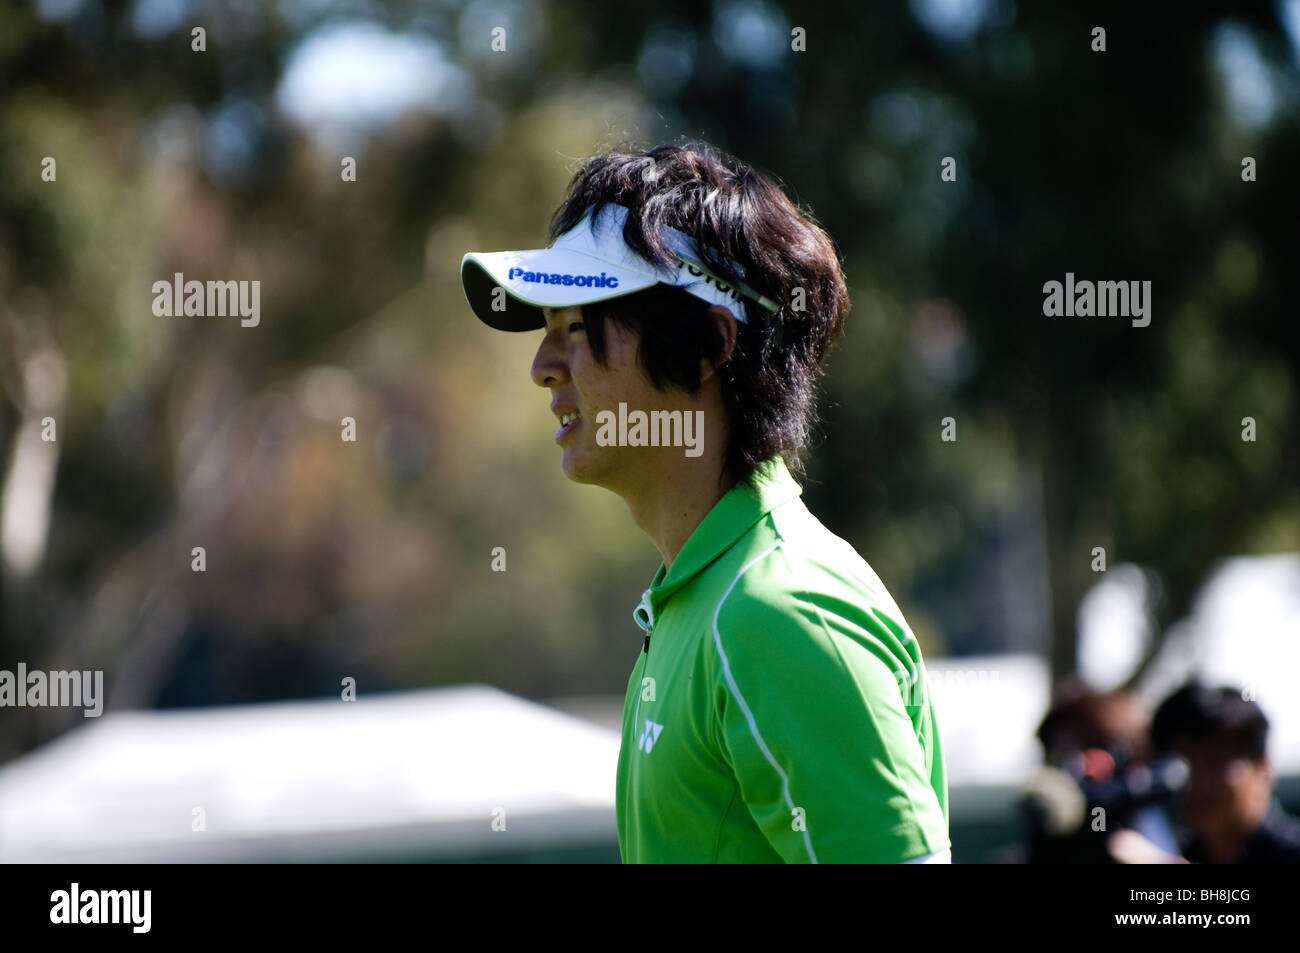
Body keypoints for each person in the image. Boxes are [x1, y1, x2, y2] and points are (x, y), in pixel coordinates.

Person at [460, 141, 950, 863]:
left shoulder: (780, 608)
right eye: (546, 330)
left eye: (576, 327)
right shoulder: (701, 602)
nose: (542, 367)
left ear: (707, 347)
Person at [1152, 682, 1300, 863]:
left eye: (1214, 761)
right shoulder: (1175, 852)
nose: (1198, 780)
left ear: (1262, 767)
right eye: (1182, 763)